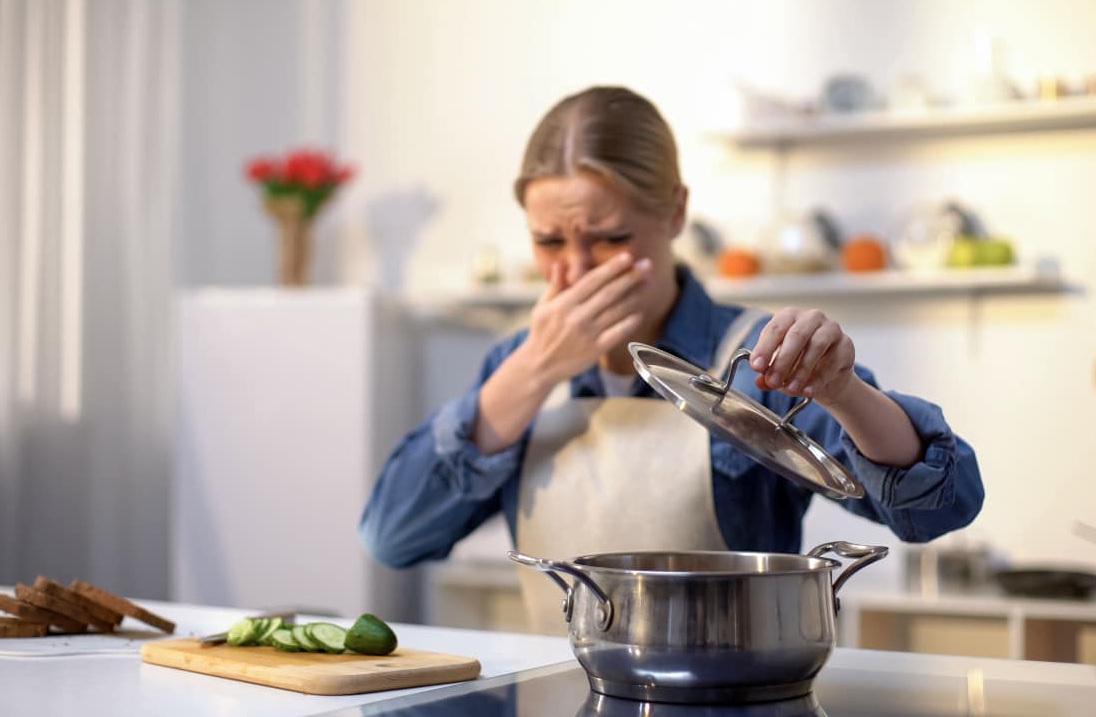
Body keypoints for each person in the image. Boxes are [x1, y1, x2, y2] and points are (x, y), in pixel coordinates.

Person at [360, 86, 984, 634]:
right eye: (548, 241)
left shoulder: (752, 356)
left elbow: (939, 510)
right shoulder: (516, 364)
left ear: (676, 211)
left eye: (610, 238)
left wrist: (844, 390)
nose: (575, 270)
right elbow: (393, 538)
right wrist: (533, 369)